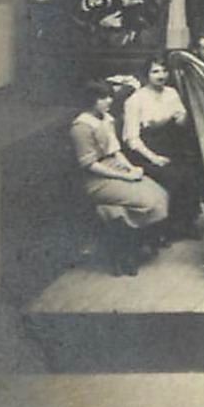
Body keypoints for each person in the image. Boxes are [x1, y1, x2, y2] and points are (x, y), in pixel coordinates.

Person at [72, 81, 169, 275]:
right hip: (96, 179)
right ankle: (126, 251)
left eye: (109, 96)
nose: (108, 101)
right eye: (102, 98)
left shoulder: (107, 119)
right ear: (91, 101)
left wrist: (131, 169)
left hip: (114, 168)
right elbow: (90, 164)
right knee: (147, 201)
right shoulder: (81, 127)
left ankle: (129, 248)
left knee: (159, 194)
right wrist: (123, 177)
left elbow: (116, 151)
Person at [121, 56, 203, 241]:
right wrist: (154, 158)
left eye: (164, 71)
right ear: (146, 74)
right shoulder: (135, 100)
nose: (161, 75)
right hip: (144, 151)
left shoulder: (172, 93)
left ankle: (185, 223)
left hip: (170, 146)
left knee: (192, 172)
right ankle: (167, 227)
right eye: (155, 71)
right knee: (174, 175)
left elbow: (181, 122)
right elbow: (132, 140)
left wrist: (187, 114)